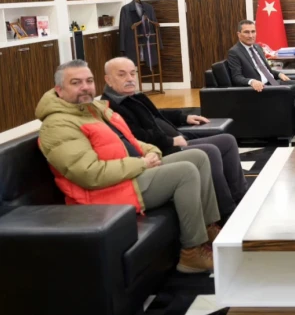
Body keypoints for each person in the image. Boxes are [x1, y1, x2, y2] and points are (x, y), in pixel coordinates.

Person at [36, 60, 220, 273]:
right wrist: (141, 164)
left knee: (198, 157)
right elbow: (89, 174)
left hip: (127, 175)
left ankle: (209, 228)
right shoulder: (58, 125)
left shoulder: (93, 110)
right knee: (185, 172)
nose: (85, 87)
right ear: (59, 89)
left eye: (89, 81)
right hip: (104, 192)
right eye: (76, 82)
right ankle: (192, 252)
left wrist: (151, 151)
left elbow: (128, 141)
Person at [101, 57, 247, 220]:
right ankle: (226, 213)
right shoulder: (111, 107)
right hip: (162, 150)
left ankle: (240, 197)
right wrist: (170, 141)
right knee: (210, 152)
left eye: (132, 73)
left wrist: (184, 117)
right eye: (122, 75)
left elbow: (157, 115)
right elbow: (136, 136)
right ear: (108, 79)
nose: (129, 78)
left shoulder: (134, 96)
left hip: (177, 138)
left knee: (227, 141)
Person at [228, 20, 295, 136]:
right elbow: (236, 77)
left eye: (253, 31)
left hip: (272, 81)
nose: (250, 35)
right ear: (239, 34)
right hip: (261, 88)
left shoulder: (257, 47)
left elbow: (265, 69)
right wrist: (251, 81)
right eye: (246, 32)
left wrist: (278, 74)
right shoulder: (234, 52)